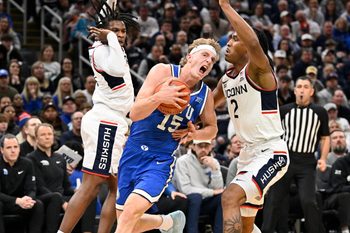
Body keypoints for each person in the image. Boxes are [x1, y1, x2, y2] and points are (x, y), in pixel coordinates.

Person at [115, 38, 220, 232]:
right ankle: (169, 222)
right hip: (132, 152)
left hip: (159, 160)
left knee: (128, 215)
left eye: (213, 60)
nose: (209, 61)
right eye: (205, 55)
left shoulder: (205, 95)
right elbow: (135, 113)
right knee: (126, 220)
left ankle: (168, 222)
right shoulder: (162, 72)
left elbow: (212, 129)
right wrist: (159, 97)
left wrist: (195, 134)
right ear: (190, 57)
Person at [58, 1, 140, 233]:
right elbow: (114, 68)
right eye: (116, 31)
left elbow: (106, 14)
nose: (121, 35)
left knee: (119, 187)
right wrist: (110, 36)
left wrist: (109, 23)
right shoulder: (102, 50)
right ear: (103, 32)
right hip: (106, 121)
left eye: (123, 31)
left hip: (118, 123)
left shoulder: (112, 46)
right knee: (91, 185)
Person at [213, 0, 290, 232]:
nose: (228, 42)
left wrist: (225, 6)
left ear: (247, 46)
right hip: (248, 155)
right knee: (246, 225)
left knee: (229, 198)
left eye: (235, 38)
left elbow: (255, 42)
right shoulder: (227, 79)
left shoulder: (259, 70)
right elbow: (208, 105)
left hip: (270, 151)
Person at [262, 76, 330, 233]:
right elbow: (273, 136)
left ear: (312, 91)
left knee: (309, 202)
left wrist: (323, 158)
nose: (302, 90)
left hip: (307, 162)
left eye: (306, 87)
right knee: (273, 200)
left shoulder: (320, 112)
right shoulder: (284, 110)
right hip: (285, 160)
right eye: (299, 86)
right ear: (294, 90)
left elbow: (325, 138)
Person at [174, 139, 224, 233]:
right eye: (200, 146)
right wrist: (211, 192)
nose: (203, 149)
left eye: (206, 146)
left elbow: (219, 189)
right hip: (186, 201)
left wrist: (214, 169)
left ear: (211, 147)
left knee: (222, 198)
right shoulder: (183, 161)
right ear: (193, 146)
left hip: (205, 200)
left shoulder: (214, 162)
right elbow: (185, 189)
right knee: (196, 197)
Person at [0, 134, 44, 233]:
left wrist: (28, 199)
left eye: (16, 147)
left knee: (38, 204)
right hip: (4, 202)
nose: (13, 150)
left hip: (21, 202)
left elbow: (32, 188)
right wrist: (17, 201)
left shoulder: (27, 163)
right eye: (9, 147)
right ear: (2, 150)